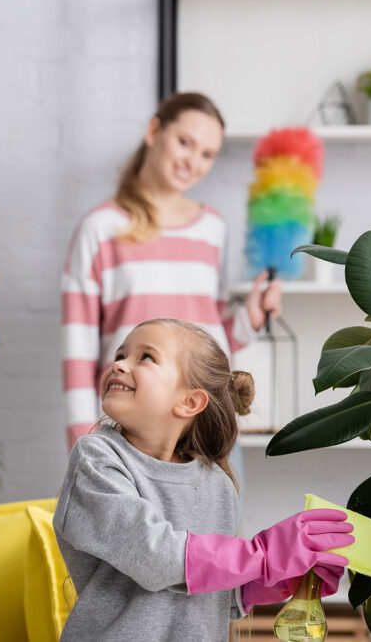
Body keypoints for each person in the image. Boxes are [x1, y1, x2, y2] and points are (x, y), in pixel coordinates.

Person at [53, 318, 353, 641]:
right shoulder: (96, 460)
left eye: (146, 357)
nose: (119, 365)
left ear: (190, 402)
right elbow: (155, 557)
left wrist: (273, 578)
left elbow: (210, 595)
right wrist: (261, 555)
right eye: (121, 355)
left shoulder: (216, 486)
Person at [61, 91, 283, 451]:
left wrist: (249, 320)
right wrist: (82, 444)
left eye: (207, 154)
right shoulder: (100, 229)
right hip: (129, 434)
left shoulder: (213, 229)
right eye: (185, 142)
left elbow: (206, 345)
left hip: (207, 427)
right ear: (154, 132)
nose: (192, 161)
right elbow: (77, 351)